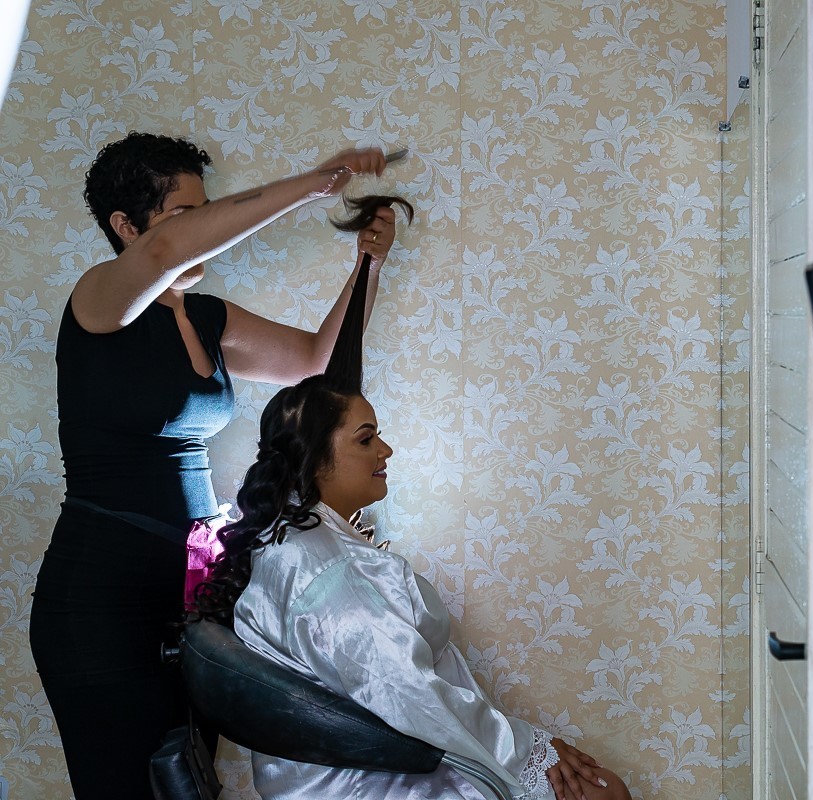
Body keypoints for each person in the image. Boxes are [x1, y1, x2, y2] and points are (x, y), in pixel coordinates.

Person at [28, 131, 406, 800]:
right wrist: (316, 182)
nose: (202, 229)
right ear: (126, 226)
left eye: (208, 211)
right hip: (101, 596)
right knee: (126, 788)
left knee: (188, 786)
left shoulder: (206, 318)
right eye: (187, 214)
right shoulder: (101, 300)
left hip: (194, 597)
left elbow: (315, 362)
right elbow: (169, 250)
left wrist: (367, 265)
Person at [192, 259, 633, 800]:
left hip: (378, 754)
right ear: (314, 455)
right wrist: (531, 751)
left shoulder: (299, 538)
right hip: (366, 779)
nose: (385, 450)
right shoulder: (327, 569)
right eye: (365, 438)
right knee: (605, 792)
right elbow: (406, 690)